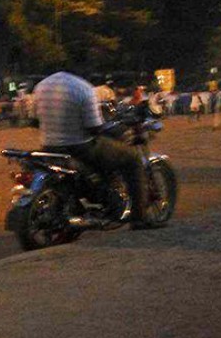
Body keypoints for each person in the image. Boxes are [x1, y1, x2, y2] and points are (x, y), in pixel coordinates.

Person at [34, 70, 148, 227]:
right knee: (133, 158)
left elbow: (34, 119)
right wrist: (116, 129)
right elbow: (94, 128)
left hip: (49, 146)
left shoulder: (42, 86)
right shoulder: (82, 88)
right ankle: (139, 218)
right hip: (81, 147)